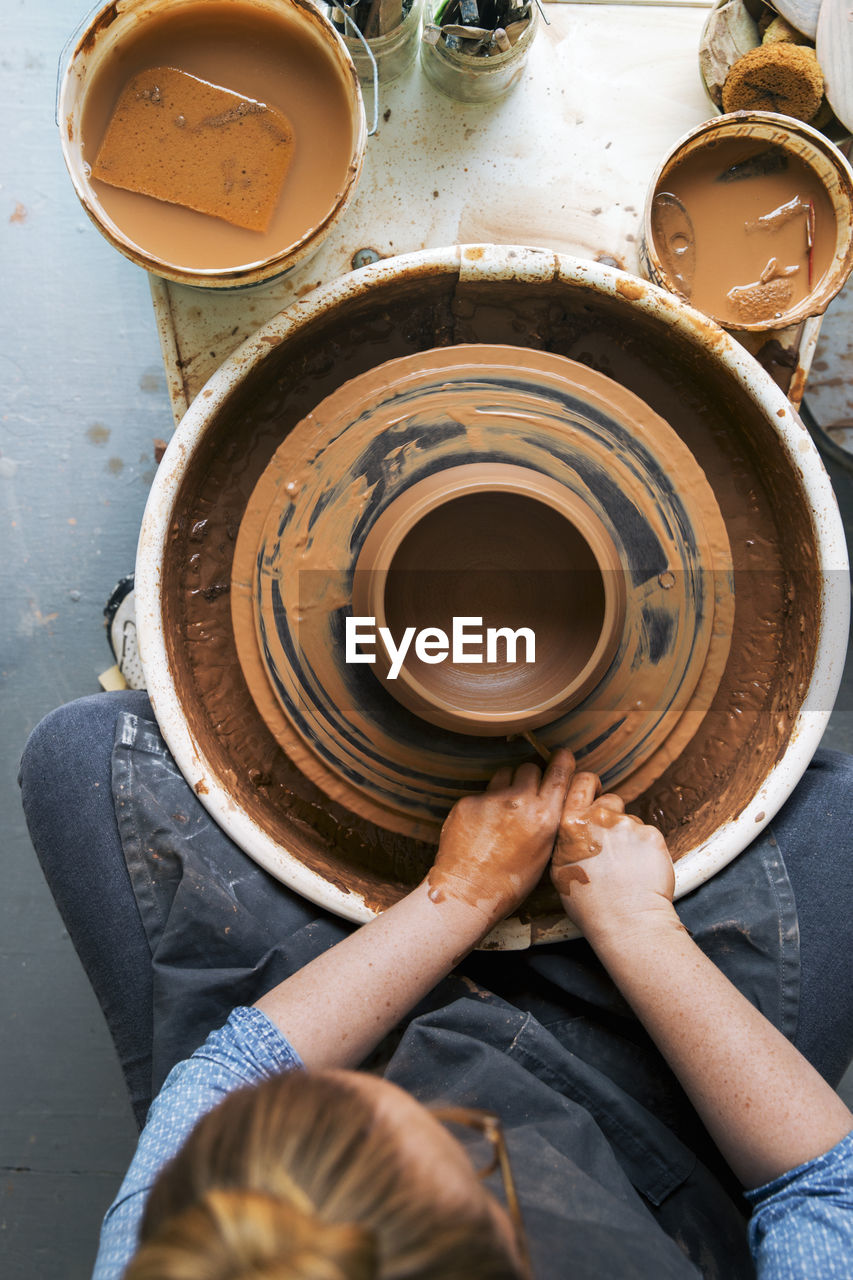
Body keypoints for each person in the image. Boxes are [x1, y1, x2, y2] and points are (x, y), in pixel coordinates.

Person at [18, 689, 853, 1279]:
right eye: (466, 1149)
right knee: (831, 806)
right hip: (645, 1164)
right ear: (502, 1225)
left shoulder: (180, 1253)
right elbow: (823, 1182)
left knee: (81, 750)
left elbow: (228, 1078)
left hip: (373, 1036)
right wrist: (637, 926)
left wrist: (458, 898)